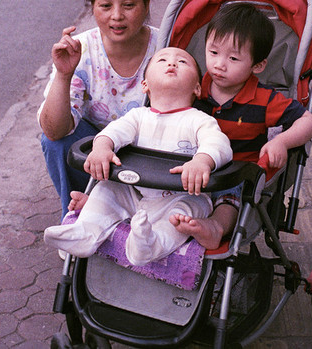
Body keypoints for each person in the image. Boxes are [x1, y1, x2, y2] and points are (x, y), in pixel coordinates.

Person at [43, 47, 233, 266]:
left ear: (197, 88)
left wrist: (202, 160)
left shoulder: (198, 120)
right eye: (162, 60)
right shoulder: (137, 117)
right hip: (134, 192)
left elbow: (218, 143)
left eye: (183, 62)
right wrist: (103, 147)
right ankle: (85, 231)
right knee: (106, 189)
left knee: (189, 211)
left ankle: (151, 244)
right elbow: (114, 132)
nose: (172, 64)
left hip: (178, 196)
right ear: (145, 85)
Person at [170, 3, 312, 249]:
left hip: (237, 173)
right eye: (213, 52)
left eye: (233, 58)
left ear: (258, 65)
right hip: (192, 168)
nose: (219, 64)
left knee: (230, 199)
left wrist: (280, 141)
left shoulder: (263, 99)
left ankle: (215, 227)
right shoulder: (194, 87)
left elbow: (309, 122)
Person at [39, 0, 159, 216]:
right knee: (56, 142)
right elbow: (53, 130)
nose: (117, 15)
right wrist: (63, 74)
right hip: (96, 147)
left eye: (128, 5)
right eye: (106, 6)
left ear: (146, 5)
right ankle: (76, 217)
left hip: (153, 149)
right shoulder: (79, 48)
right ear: (93, 8)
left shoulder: (167, 48)